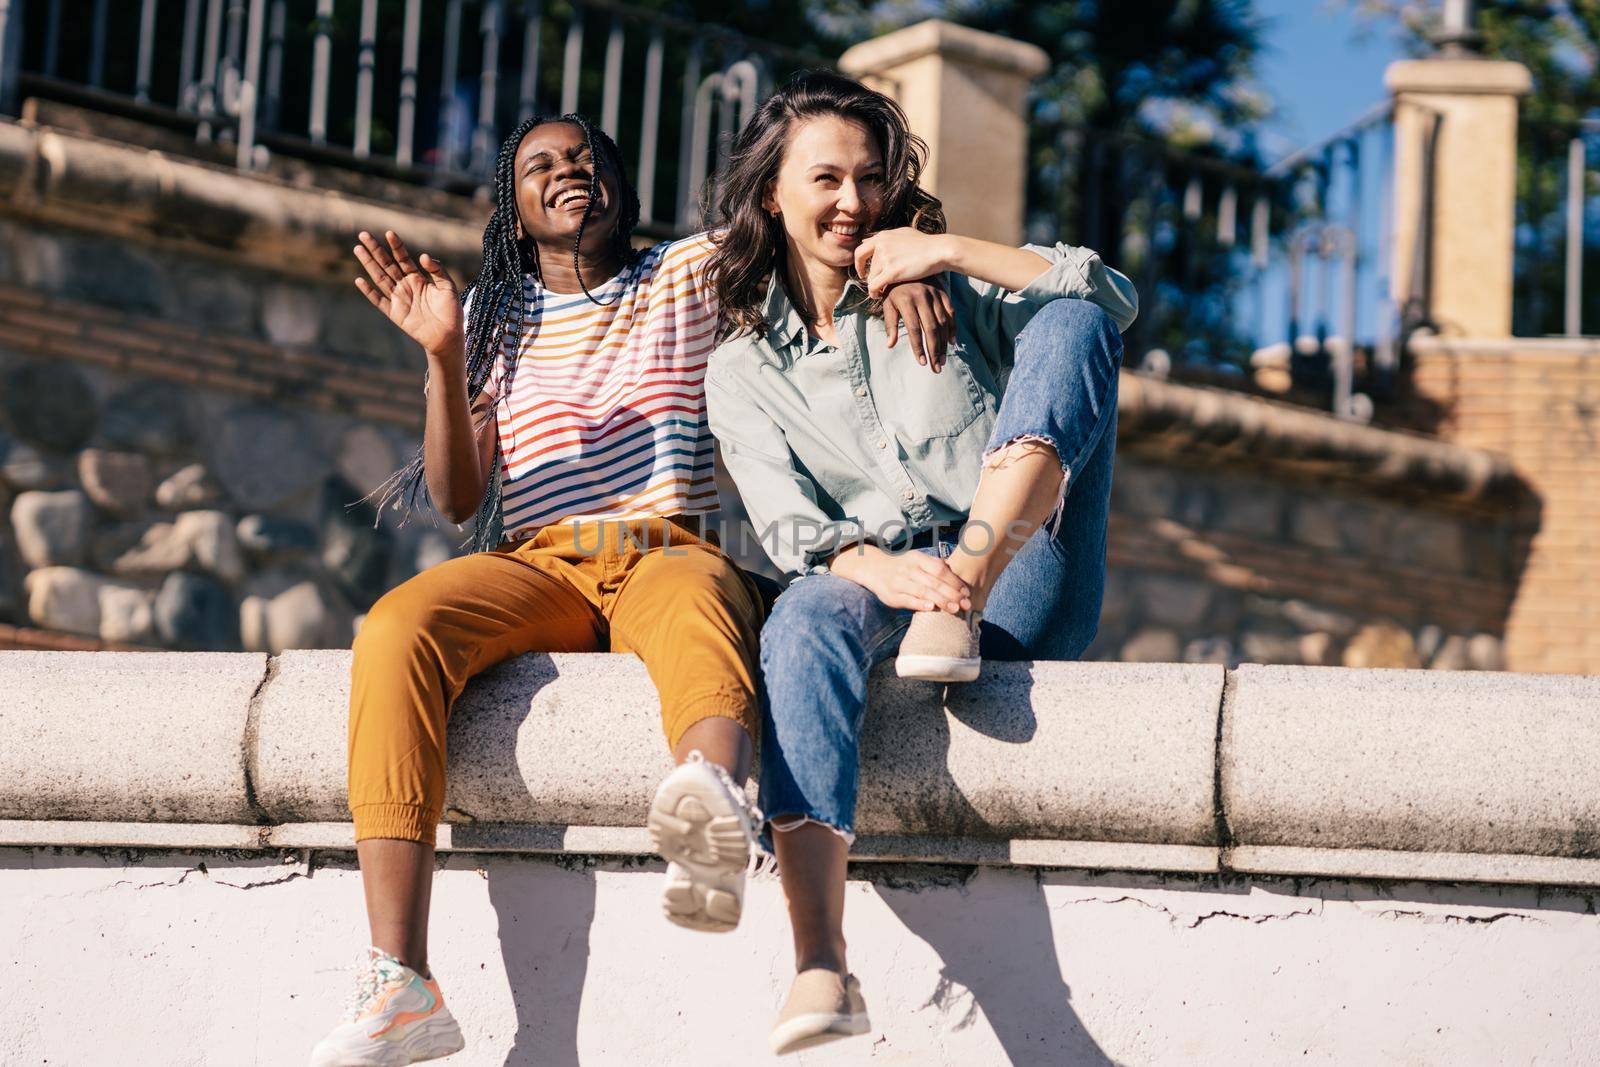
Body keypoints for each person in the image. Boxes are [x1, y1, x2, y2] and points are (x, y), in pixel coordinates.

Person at [309, 111, 954, 1067]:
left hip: (665, 546)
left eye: (588, 158)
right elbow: (455, 497)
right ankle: (401, 979)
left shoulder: (686, 274)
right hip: (541, 564)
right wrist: (442, 354)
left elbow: (819, 211)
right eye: (542, 165)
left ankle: (713, 803)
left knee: (699, 603)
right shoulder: (495, 315)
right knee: (397, 622)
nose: (570, 171)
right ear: (513, 204)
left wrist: (910, 268)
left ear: (621, 186)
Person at [702, 71, 1138, 1056]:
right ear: (772, 191)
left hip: (1017, 570)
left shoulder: (949, 285)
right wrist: (874, 567)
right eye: (823, 179)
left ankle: (968, 585)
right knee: (802, 613)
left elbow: (1109, 298)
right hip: (878, 580)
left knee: (1069, 321)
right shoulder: (742, 367)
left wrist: (943, 248)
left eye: (868, 179)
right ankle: (819, 956)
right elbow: (785, 524)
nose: (849, 202)